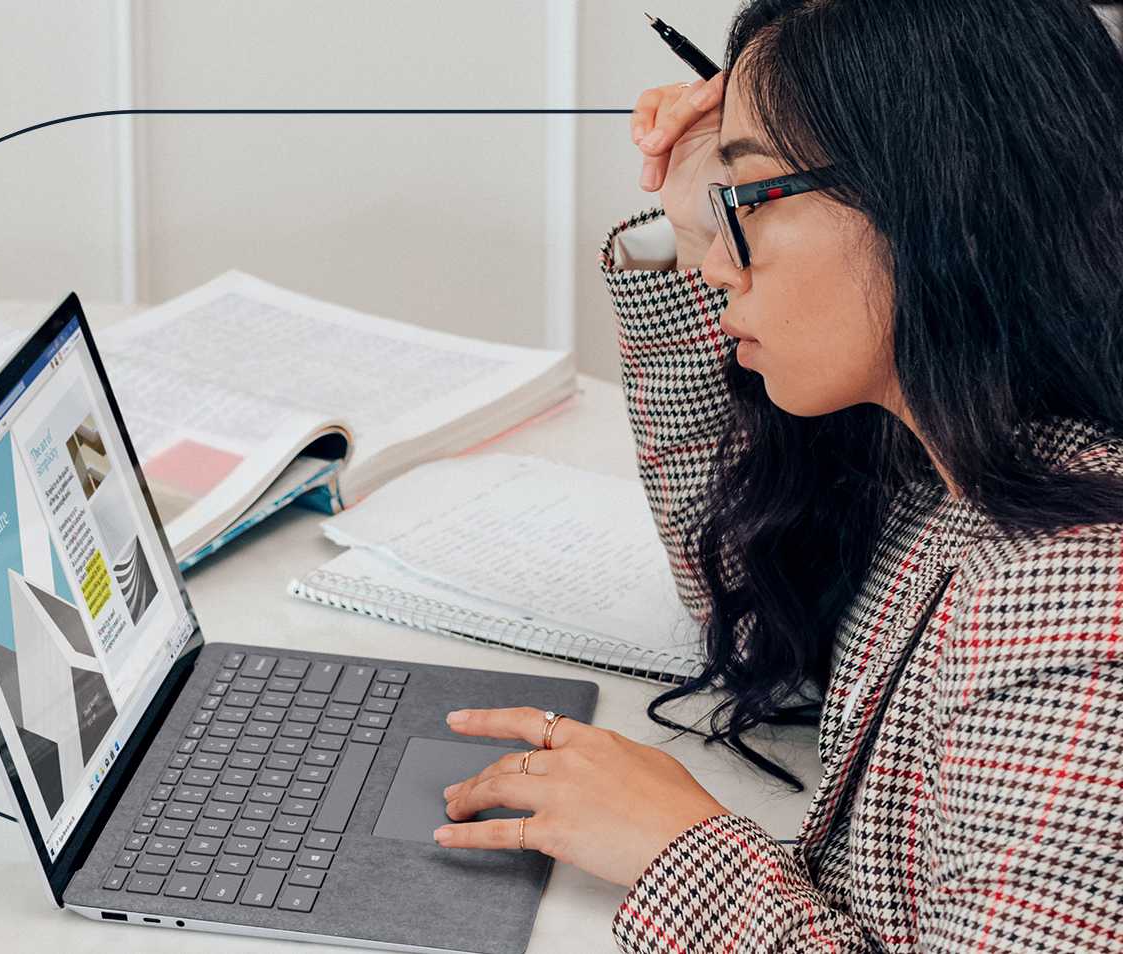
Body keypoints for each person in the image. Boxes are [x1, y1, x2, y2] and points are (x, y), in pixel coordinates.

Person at [430, 0, 1123, 950]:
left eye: (744, 198)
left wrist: (684, 852)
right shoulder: (967, 463)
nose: (711, 268)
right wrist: (694, 204)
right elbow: (757, 605)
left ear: (936, 201)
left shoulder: (1078, 599)